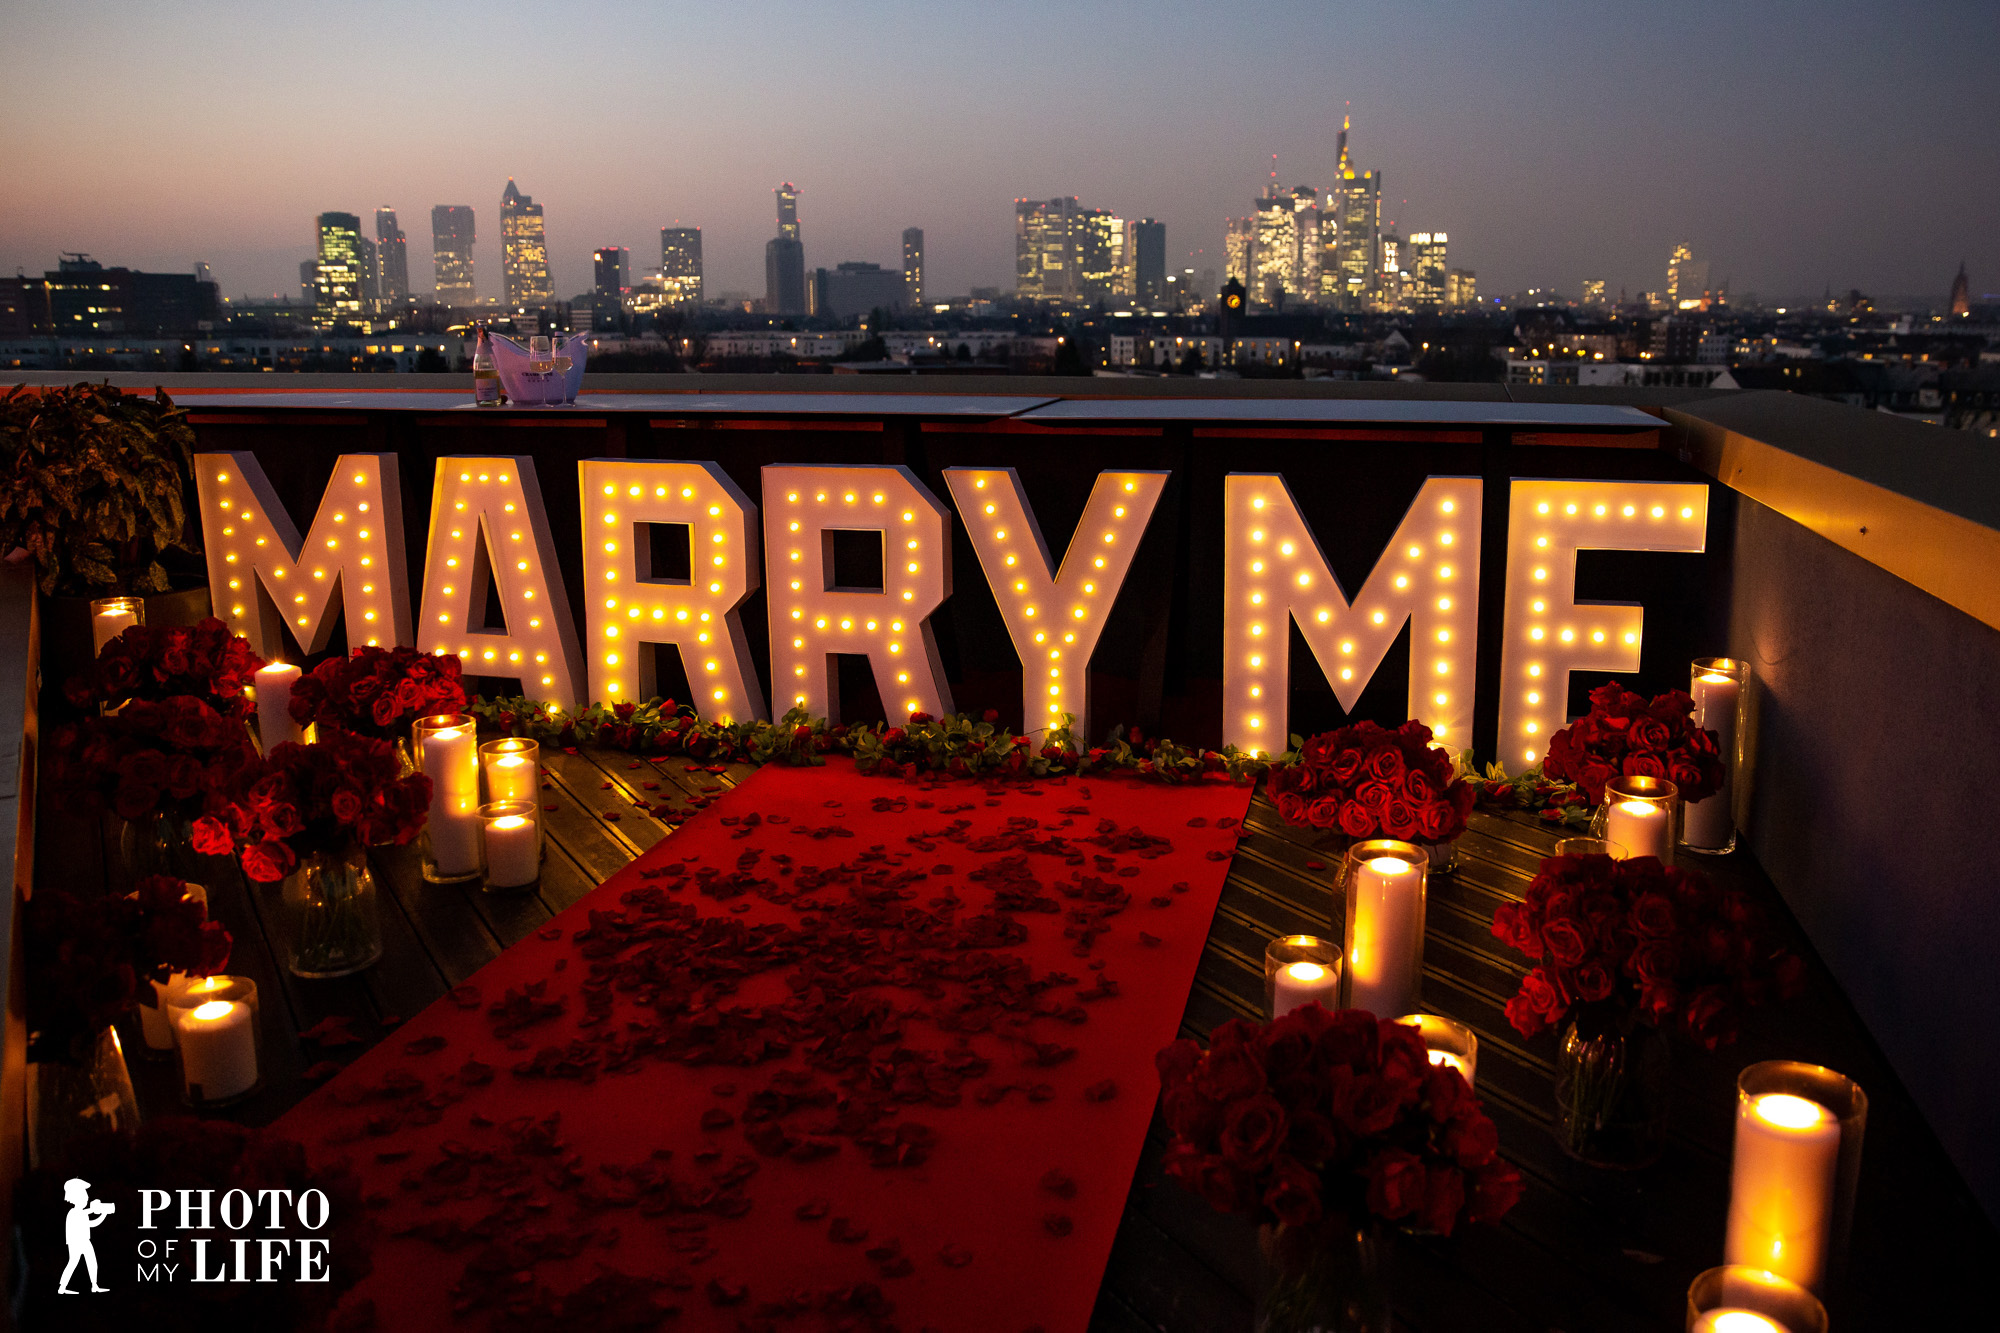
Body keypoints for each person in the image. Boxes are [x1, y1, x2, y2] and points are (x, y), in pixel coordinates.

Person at [57, 1178, 112, 1295]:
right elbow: (92, 1223)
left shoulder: (78, 1212)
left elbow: (88, 1218)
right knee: (73, 1263)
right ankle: (63, 1287)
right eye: (84, 1195)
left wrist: (99, 1211)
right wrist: (103, 1215)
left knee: (91, 1262)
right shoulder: (75, 1213)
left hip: (83, 1241)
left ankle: (94, 1285)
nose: (86, 1198)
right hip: (77, 1242)